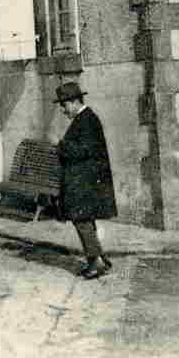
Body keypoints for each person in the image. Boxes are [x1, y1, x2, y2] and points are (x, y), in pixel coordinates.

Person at [55, 81, 117, 279]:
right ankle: (98, 258)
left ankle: (95, 262)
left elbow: (84, 151)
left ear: (74, 101)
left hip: (84, 182)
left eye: (64, 106)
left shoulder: (86, 120)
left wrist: (60, 145)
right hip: (85, 180)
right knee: (85, 221)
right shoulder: (86, 119)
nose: (63, 110)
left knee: (82, 220)